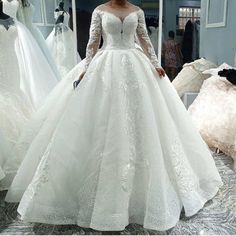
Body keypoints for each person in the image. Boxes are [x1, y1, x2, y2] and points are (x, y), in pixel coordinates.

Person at [6, 0, 222, 232]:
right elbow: (92, 44)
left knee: (145, 122)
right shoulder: (100, 11)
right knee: (98, 123)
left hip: (135, 64)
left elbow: (145, 40)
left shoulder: (136, 11)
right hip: (105, 65)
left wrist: (155, 64)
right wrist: (86, 69)